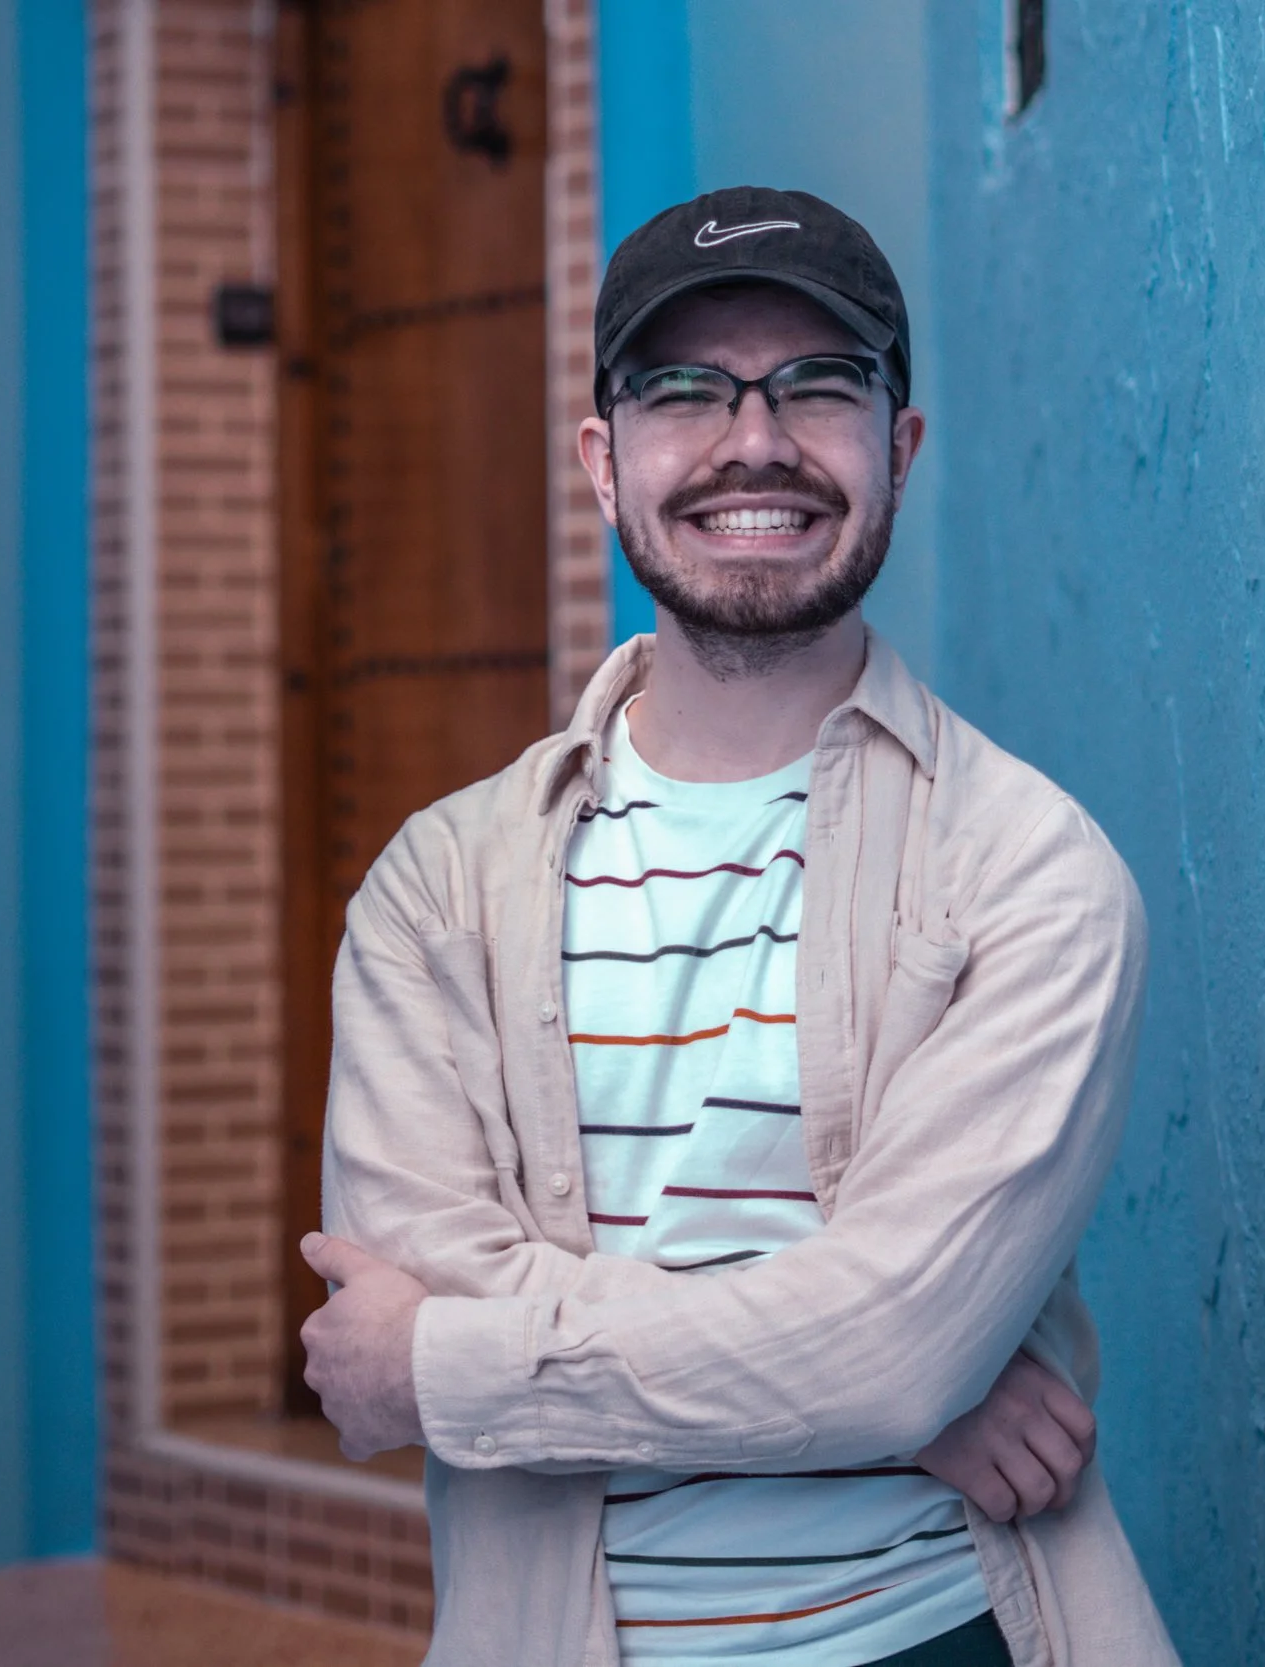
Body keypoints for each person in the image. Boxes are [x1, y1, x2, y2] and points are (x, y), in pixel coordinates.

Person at [295, 185, 1179, 1667]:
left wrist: (446, 1365)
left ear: (899, 448)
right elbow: (884, 1354)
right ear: (605, 458)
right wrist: (884, 1391)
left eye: (819, 385)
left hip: (930, 1635)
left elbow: (889, 1345)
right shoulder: (434, 890)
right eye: (683, 388)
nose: (753, 438)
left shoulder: (1030, 872)